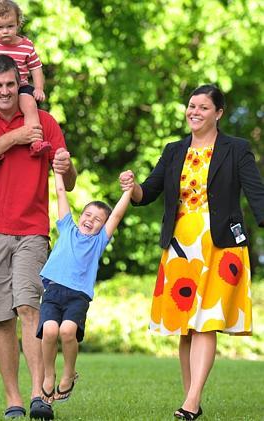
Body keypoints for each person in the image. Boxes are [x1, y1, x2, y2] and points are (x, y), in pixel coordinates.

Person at [119, 84, 264, 420]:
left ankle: (191, 402)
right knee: (186, 327)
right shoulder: (173, 150)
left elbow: (257, 194)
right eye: (191, 106)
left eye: (202, 107)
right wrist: (132, 187)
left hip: (221, 245)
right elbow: (148, 193)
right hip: (180, 246)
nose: (194, 112)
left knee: (205, 324)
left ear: (219, 113)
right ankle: (191, 402)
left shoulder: (236, 149)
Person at [0, 54, 77, 420]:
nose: (5, 92)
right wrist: (14, 138)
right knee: (1, 318)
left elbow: (68, 180)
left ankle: (39, 394)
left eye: (11, 84)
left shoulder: (44, 122)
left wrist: (66, 165)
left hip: (32, 230)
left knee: (30, 308)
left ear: (19, 82)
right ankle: (14, 401)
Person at [36, 163, 132, 407]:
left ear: (103, 226)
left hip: (77, 296)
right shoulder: (67, 227)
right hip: (53, 291)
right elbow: (60, 193)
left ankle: (69, 373)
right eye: (88, 215)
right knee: (48, 331)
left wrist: (129, 191)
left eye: (98, 219)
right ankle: (49, 374)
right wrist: (57, 170)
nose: (91, 220)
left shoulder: (98, 242)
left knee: (68, 331)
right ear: (80, 217)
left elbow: (118, 214)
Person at [0, 0, 50, 158]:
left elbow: (36, 68)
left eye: (10, 26)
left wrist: (38, 88)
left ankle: (35, 142)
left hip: (21, 86)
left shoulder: (26, 45)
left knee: (30, 104)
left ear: (18, 24)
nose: (5, 31)